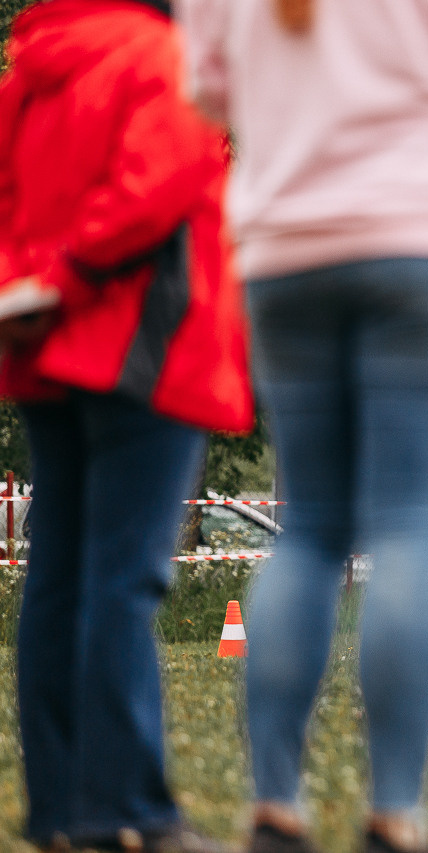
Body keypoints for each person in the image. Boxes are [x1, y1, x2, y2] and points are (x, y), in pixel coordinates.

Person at [176, 0, 428, 851]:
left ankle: (275, 804)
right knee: (410, 530)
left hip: (288, 244)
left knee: (308, 535)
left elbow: (206, 84)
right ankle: (395, 812)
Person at [0, 1, 255, 851]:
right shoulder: (160, 56)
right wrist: (70, 275)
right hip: (144, 345)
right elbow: (162, 183)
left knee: (60, 577)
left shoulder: (30, 69)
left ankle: (62, 809)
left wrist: (26, 291)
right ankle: (128, 813)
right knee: (122, 580)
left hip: (43, 345)